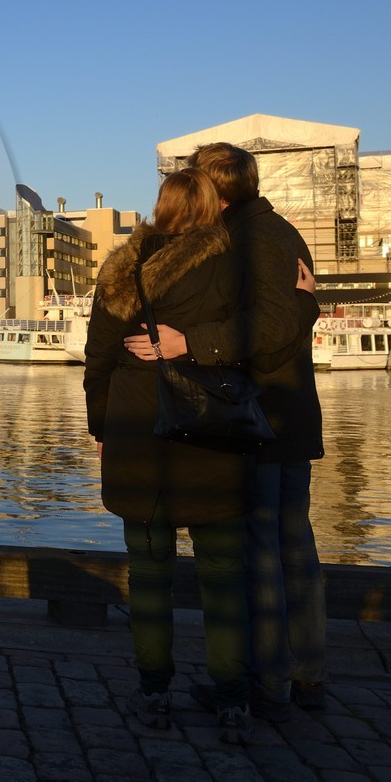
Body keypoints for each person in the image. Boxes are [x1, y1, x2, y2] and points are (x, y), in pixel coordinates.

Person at [124, 142, 327, 718]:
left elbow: (273, 322)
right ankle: (305, 676)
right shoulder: (274, 228)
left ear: (216, 188)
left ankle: (271, 685)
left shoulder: (248, 237)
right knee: (293, 549)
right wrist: (310, 308)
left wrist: (191, 342)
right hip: (285, 415)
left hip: (258, 415)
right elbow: (294, 308)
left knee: (262, 553)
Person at [83, 168, 256, 744]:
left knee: (149, 572)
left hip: (137, 430)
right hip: (212, 430)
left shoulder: (121, 270)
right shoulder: (232, 265)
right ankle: (232, 697)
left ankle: (153, 690)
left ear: (160, 207)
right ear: (212, 206)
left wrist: (102, 425)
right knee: (224, 575)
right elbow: (255, 338)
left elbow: (100, 360)